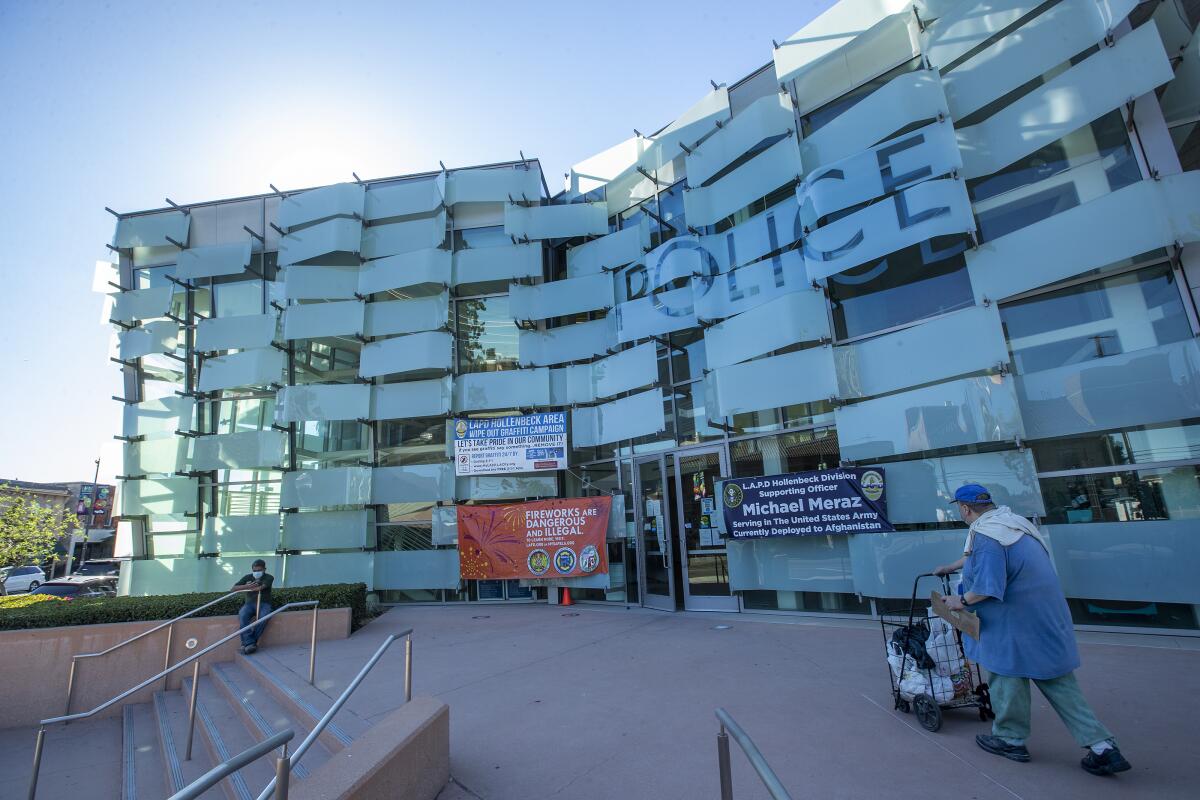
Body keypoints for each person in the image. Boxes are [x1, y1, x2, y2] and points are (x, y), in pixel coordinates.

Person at [933, 484, 1131, 776]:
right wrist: (952, 566)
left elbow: (988, 586)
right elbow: (978, 555)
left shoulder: (986, 535)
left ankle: (1009, 739)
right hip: (1045, 618)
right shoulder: (1012, 523)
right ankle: (1102, 747)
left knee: (1006, 678)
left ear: (964, 508)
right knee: (1058, 682)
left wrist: (958, 601)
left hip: (1013, 623)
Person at [232, 559, 273, 655]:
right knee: (243, 615)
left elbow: (260, 588)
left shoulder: (269, 577)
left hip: (264, 604)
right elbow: (233, 588)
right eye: (254, 571)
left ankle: (248, 643)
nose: (256, 573)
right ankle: (250, 643)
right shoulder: (247, 577)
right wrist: (247, 586)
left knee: (264, 617)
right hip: (249, 604)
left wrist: (248, 586)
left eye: (259, 570)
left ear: (264, 569)